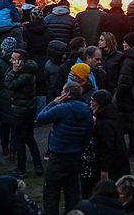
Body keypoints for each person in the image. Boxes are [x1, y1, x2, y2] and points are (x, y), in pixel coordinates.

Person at [37, 81, 95, 215]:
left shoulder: (62, 108)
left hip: (58, 156)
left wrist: (54, 102)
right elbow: (88, 137)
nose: (61, 93)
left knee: (51, 191)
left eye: (63, 91)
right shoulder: (87, 111)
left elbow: (40, 118)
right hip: (75, 156)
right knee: (72, 192)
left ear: (68, 93)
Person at [4, 48, 43, 177]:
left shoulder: (24, 75)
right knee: (29, 138)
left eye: (14, 59)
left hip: (21, 111)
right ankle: (38, 166)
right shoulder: (29, 70)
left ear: (21, 61)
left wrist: (13, 71)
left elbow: (9, 84)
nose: (11, 60)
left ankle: (21, 169)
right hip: (28, 109)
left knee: (20, 140)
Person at [90, 90, 131, 183]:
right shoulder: (113, 116)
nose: (91, 102)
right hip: (119, 162)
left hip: (112, 166)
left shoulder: (104, 123)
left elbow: (107, 147)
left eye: (93, 101)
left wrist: (104, 169)